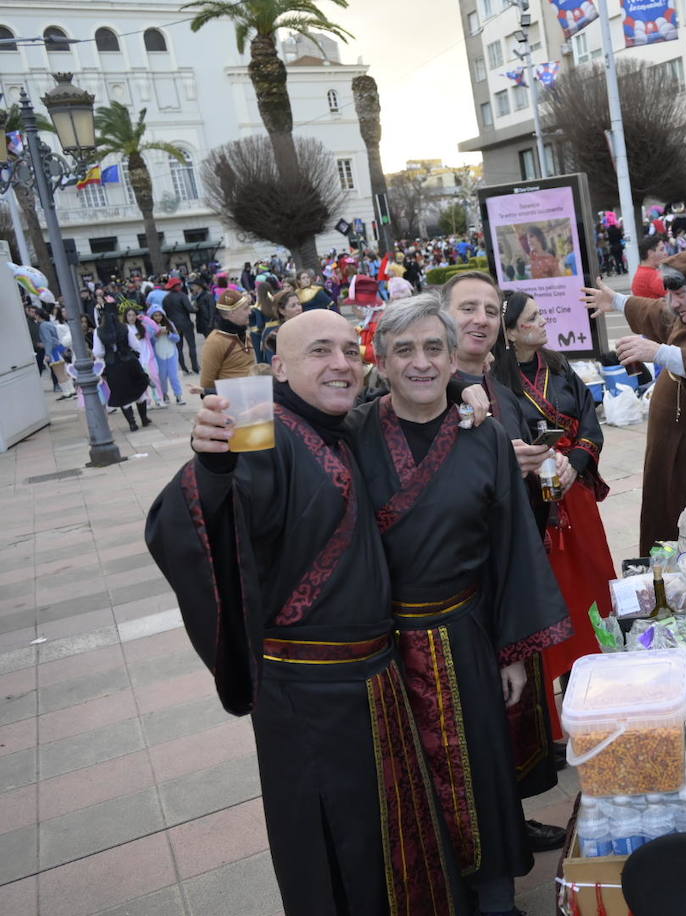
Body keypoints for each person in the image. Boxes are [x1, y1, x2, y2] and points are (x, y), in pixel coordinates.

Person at [145, 310, 463, 913]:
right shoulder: (261, 423)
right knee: (334, 846)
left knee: (384, 835)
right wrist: (212, 467)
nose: (341, 363)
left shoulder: (347, 425)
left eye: (350, 349)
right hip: (309, 693)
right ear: (280, 367)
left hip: (372, 678)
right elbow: (214, 509)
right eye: (320, 351)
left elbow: (428, 385)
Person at [352, 295, 571, 916]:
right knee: (406, 784)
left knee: (481, 770)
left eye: (433, 348)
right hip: (384, 647)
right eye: (404, 350)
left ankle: (495, 899)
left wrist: (514, 652)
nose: (420, 363)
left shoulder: (486, 438)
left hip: (467, 634)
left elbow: (511, 549)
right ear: (383, 361)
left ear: (454, 358)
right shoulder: (355, 435)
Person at [439, 271, 571, 852]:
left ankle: (510, 824)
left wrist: (554, 469)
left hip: (510, 566)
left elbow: (530, 456)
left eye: (490, 310)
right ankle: (485, 843)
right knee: (477, 720)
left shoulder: (499, 381)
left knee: (514, 707)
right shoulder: (432, 386)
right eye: (467, 308)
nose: (480, 320)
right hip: (460, 583)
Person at [491, 289, 613, 731]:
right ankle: (553, 724)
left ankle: (600, 696)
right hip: (535, 508)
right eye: (532, 319)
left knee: (593, 590)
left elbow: (591, 422)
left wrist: (574, 463)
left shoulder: (559, 367)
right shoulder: (496, 385)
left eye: (541, 316)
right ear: (509, 332)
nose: (543, 324)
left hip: (574, 497)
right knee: (550, 602)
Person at [581, 249, 686, 554]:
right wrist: (618, 302)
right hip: (669, 449)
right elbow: (660, 315)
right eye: (669, 294)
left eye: (679, 294)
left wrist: (659, 353)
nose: (673, 303)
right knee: (665, 528)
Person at [198, 289, 257, 395]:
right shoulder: (215, 341)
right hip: (231, 405)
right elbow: (206, 386)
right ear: (232, 313)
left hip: (251, 401)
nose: (250, 312)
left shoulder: (244, 334)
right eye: (245, 308)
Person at [160, 277, 199, 374]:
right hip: (186, 323)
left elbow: (166, 313)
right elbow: (190, 309)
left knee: (178, 348)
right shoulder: (182, 295)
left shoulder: (166, 299)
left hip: (174, 325)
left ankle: (184, 369)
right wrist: (197, 308)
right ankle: (195, 367)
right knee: (191, 346)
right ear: (177, 286)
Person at [149, 310, 185, 406]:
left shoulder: (170, 324)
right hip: (159, 356)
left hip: (171, 354)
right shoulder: (150, 326)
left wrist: (169, 333)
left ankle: (178, 395)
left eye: (160, 315)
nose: (158, 317)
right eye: (155, 315)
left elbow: (177, 338)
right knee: (162, 377)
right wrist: (157, 335)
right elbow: (149, 342)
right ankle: (164, 394)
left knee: (174, 376)